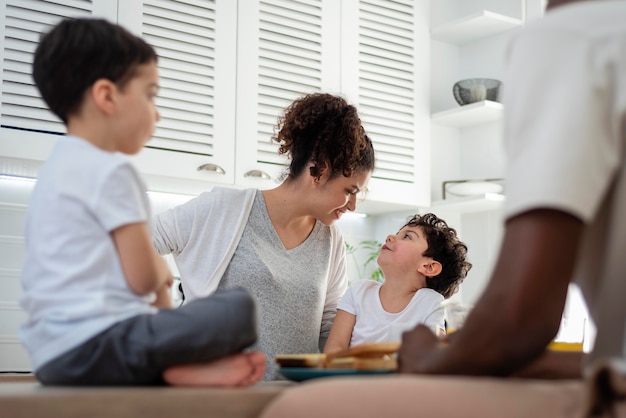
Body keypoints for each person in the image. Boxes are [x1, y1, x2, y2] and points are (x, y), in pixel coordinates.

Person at [258, 0, 626, 416]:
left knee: (297, 409)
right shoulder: (359, 291)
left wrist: (434, 358)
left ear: (429, 268)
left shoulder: (572, 34)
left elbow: (520, 318)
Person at [19, 17, 265, 387]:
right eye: (150, 94)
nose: (158, 112)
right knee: (238, 307)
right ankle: (174, 368)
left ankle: (175, 369)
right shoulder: (113, 170)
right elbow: (143, 280)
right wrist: (159, 268)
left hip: (51, 357)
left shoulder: (55, 169)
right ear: (107, 96)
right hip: (101, 347)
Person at [152, 92, 376, 380]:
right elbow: (133, 245)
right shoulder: (223, 208)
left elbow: (329, 323)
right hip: (220, 400)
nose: (353, 205)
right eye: (349, 191)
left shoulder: (330, 239)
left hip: (292, 403)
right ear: (319, 170)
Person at [323, 213, 471, 353]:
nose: (390, 237)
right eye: (398, 233)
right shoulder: (358, 291)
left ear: (428, 267)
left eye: (407, 236)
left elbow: (432, 352)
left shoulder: (430, 302)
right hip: (353, 377)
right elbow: (334, 348)